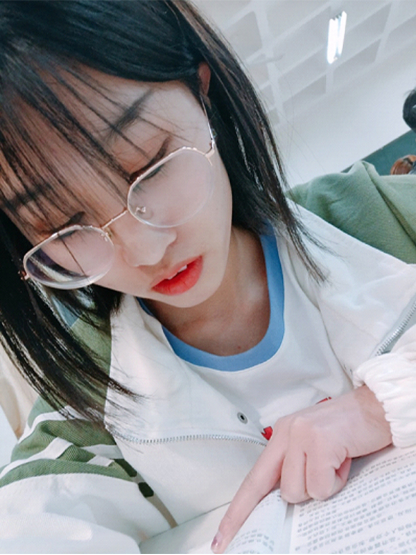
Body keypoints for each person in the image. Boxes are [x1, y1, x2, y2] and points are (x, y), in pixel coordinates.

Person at [0, 1, 416, 553]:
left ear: (202, 93)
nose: (146, 250)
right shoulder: (88, 394)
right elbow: (30, 525)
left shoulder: (378, 216)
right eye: (63, 225)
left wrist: (384, 404)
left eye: (150, 165)